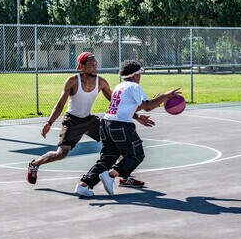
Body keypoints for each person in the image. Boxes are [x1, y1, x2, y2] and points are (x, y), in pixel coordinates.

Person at [27, 52, 152, 186]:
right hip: (72, 121)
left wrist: (137, 117)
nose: (95, 67)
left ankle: (124, 176)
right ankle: (34, 164)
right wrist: (49, 122)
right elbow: (60, 104)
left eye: (96, 65)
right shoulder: (73, 81)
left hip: (90, 120)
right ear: (81, 66)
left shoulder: (101, 82)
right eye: (91, 65)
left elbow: (117, 105)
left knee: (118, 145)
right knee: (61, 153)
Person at [75, 60, 180, 197]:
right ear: (135, 75)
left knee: (108, 158)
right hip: (120, 125)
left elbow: (129, 106)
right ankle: (111, 175)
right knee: (136, 154)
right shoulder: (134, 86)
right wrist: (165, 96)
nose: (140, 78)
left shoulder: (120, 86)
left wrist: (142, 113)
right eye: (140, 75)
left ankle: (84, 185)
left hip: (106, 124)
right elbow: (147, 106)